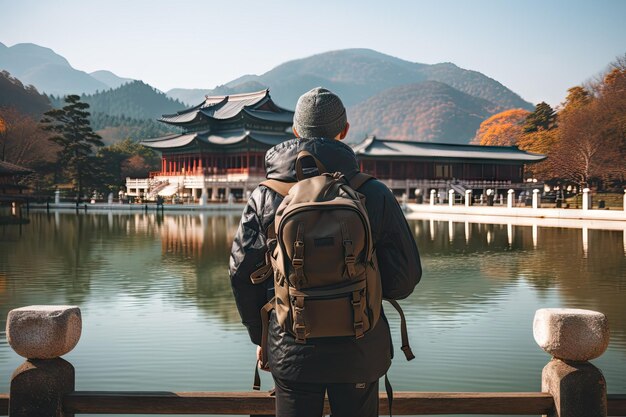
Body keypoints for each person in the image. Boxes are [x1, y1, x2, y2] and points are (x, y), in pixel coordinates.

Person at [229, 87, 421, 417]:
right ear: (344, 131)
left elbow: (241, 273)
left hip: (290, 346)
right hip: (361, 346)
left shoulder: (266, 196)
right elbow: (405, 278)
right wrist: (362, 285)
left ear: (295, 131)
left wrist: (261, 336)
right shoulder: (372, 192)